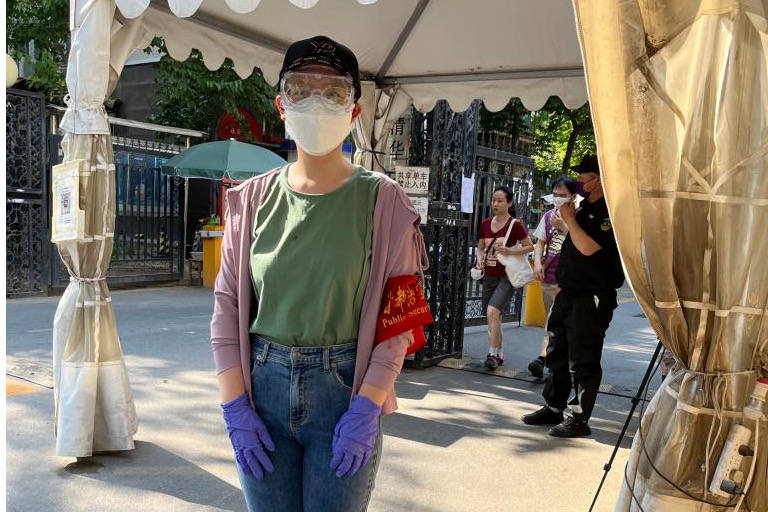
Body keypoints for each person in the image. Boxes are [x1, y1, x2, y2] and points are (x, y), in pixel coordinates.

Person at [210, 35, 432, 512]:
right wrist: (234, 406)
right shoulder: (249, 201)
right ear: (281, 106)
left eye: (333, 93)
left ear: (354, 112)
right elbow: (226, 306)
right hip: (262, 390)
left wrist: (368, 406)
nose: (316, 103)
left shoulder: (385, 203)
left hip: (345, 392)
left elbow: (398, 321)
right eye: (300, 89)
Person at [521, 154, 624, 437]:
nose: (579, 183)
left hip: (592, 296)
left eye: (584, 178)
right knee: (557, 352)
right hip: (568, 292)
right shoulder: (583, 208)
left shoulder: (609, 213)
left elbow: (588, 248)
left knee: (583, 359)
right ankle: (554, 406)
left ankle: (579, 418)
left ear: (599, 180)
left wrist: (569, 220)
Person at [474, 187, 534, 369]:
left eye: (500, 201)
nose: (495, 204)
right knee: (494, 316)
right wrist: (479, 259)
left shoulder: (515, 225)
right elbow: (480, 248)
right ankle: (499, 353)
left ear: (509, 203)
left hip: (507, 276)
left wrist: (510, 251)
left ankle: (492, 354)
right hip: (489, 275)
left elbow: (530, 246)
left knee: (492, 311)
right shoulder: (485, 224)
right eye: (494, 200)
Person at [527, 175, 577, 379]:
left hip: (569, 279)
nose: (557, 198)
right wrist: (538, 262)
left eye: (562, 195)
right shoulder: (548, 216)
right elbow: (540, 242)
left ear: (572, 196)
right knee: (555, 322)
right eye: (555, 194)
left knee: (553, 321)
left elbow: (582, 243)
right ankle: (558, 362)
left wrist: (565, 227)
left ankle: (542, 358)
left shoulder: (579, 216)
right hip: (548, 277)